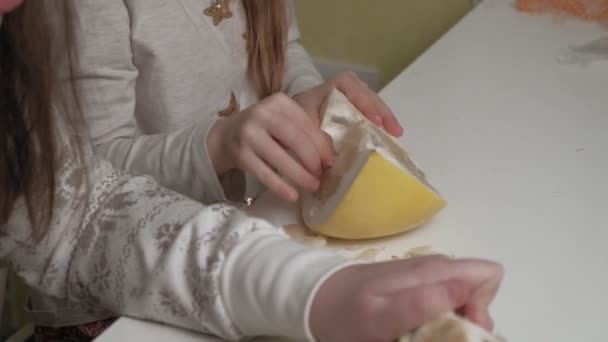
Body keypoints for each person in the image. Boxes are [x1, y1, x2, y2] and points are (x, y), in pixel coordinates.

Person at [0, 1, 503, 342]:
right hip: (103, 314)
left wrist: (323, 290)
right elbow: (92, 180)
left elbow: (81, 217)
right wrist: (217, 145)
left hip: (226, 235)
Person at [67, 0, 404, 205]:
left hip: (243, 232)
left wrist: (306, 98)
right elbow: (88, 174)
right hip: (119, 297)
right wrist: (218, 145)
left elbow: (283, 47)